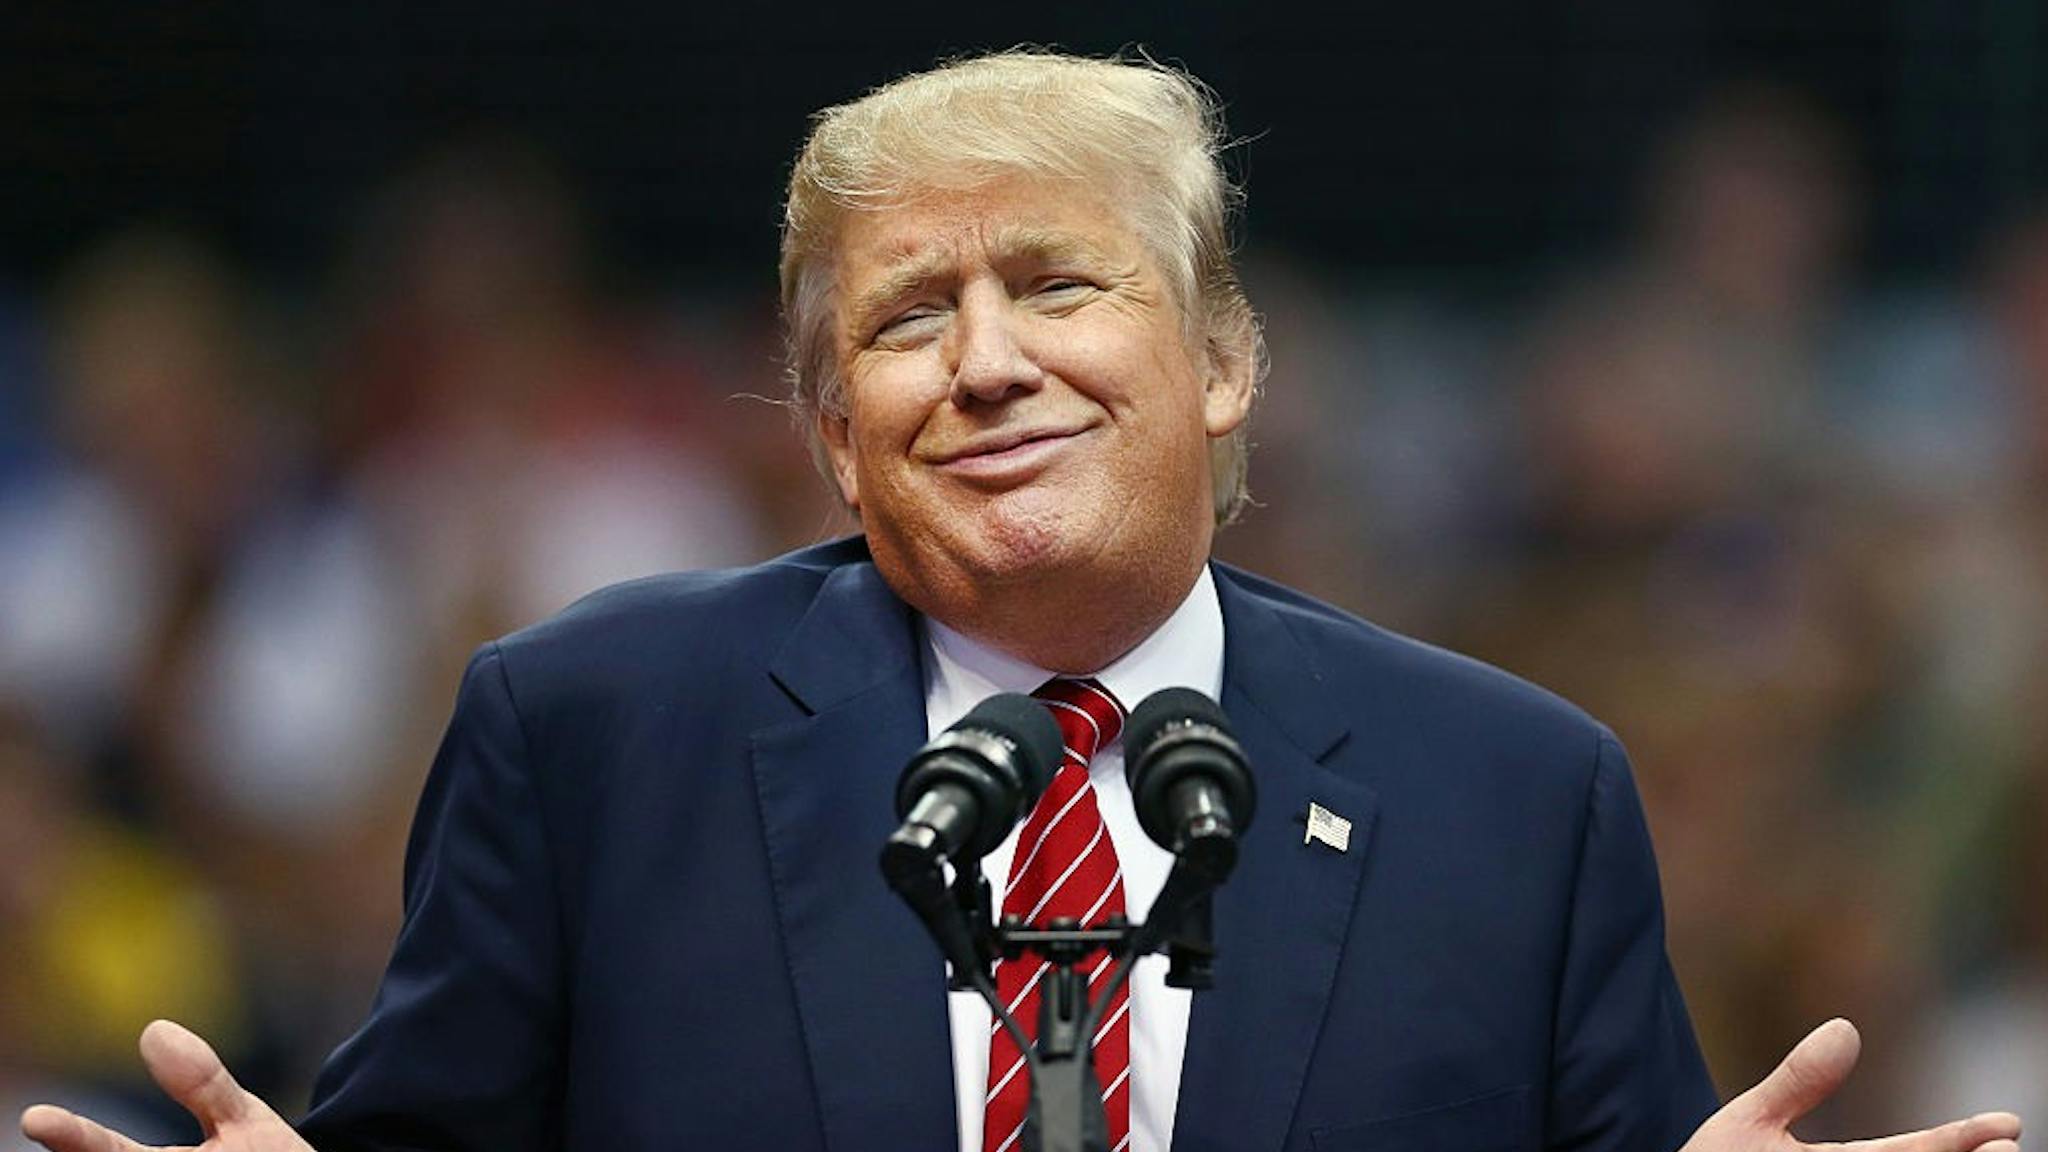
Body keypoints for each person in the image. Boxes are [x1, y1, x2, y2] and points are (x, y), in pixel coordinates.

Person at [20, 51, 2023, 1152]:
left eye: (1058, 285)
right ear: (826, 425)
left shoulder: (1510, 789)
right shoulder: (594, 735)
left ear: (1223, 359)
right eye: (905, 319)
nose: (984, 364)